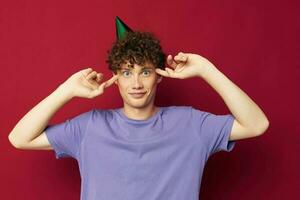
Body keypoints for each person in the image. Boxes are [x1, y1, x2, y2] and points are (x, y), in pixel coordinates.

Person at [8, 17, 269, 200]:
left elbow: (257, 124)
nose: (135, 83)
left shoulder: (191, 125)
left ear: (159, 76)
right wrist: (66, 90)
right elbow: (19, 138)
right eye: (126, 72)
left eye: (144, 71)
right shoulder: (90, 126)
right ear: (115, 77)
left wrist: (207, 70)